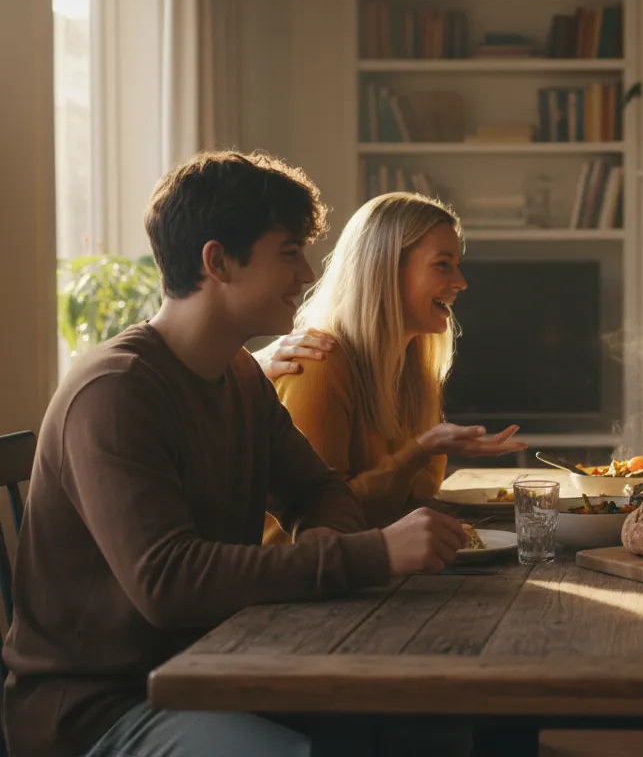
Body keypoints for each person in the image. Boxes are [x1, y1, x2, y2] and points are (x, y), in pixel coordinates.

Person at [2, 151, 471, 757]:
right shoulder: (116, 392)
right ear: (218, 261)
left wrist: (327, 540)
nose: (306, 273)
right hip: (103, 710)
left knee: (430, 728)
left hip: (217, 668)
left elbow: (318, 489)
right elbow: (168, 582)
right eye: (289, 252)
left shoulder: (241, 377)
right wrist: (369, 554)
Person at [252, 192, 525, 543]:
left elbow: (412, 499)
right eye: (443, 264)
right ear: (384, 269)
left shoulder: (412, 371)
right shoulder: (318, 364)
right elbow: (323, 524)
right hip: (306, 588)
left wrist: (430, 449)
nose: (461, 281)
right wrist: (422, 449)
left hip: (378, 575)